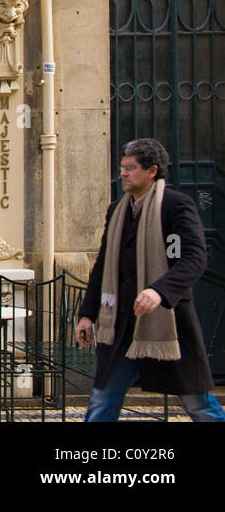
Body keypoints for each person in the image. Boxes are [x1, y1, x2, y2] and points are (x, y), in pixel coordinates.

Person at [75, 138, 224, 422]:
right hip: (121, 327)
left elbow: (194, 259)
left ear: (152, 170)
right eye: (123, 167)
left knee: (199, 404)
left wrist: (158, 291)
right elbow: (104, 265)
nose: (124, 173)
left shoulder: (176, 206)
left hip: (166, 325)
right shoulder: (117, 210)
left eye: (131, 168)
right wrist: (87, 314)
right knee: (103, 400)